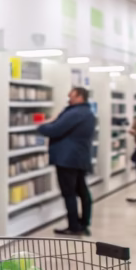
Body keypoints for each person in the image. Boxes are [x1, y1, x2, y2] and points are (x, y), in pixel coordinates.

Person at [37, 87, 96, 236]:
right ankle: (84, 223)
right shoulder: (88, 113)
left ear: (80, 97)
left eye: (71, 95)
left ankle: (74, 226)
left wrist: (43, 124)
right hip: (80, 157)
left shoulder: (75, 113)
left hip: (67, 159)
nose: (69, 97)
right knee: (82, 190)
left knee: (69, 193)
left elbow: (53, 130)